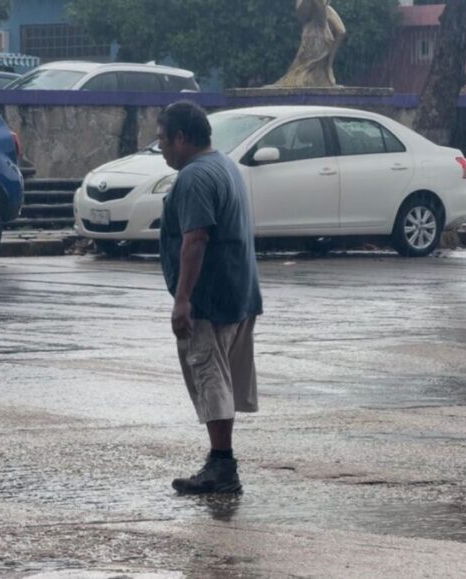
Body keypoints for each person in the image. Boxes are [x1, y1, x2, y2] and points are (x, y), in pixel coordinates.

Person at [156, 100, 263, 495]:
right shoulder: (225, 165)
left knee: (209, 375)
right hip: (239, 291)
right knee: (219, 378)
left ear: (182, 138)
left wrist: (182, 299)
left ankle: (222, 467)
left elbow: (195, 238)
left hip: (211, 298)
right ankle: (221, 461)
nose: (162, 148)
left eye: (163, 139)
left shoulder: (195, 177)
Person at [274, 0, 346, 87]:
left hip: (324, 12)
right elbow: (303, 13)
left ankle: (329, 65)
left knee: (341, 32)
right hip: (315, 17)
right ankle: (324, 70)